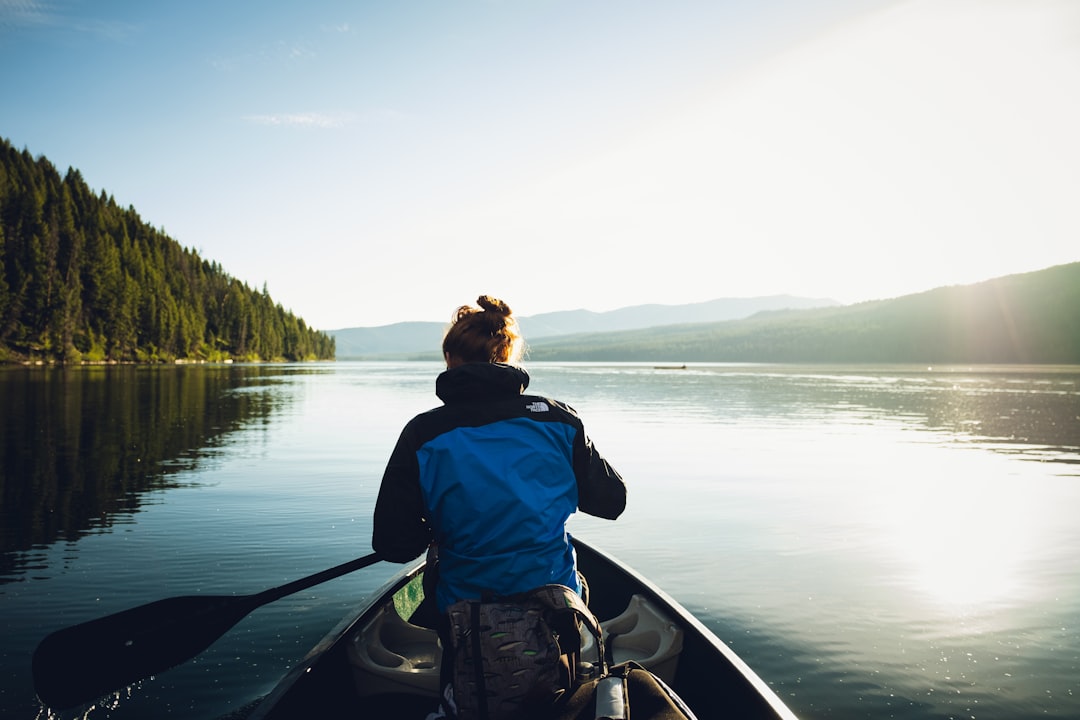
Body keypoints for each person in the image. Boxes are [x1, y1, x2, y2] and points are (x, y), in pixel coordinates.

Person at [371, 295, 626, 711]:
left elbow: (393, 544)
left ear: (449, 359)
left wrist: (431, 528)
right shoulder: (560, 421)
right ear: (508, 355)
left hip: (464, 616)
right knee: (557, 692)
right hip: (555, 604)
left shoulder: (423, 434)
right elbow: (613, 501)